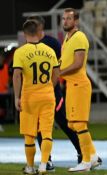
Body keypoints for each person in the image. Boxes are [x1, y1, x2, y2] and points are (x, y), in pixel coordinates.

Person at [26, 15, 85, 171]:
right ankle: (47, 161)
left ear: (39, 27)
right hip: (37, 94)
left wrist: (54, 86)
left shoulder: (53, 44)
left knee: (65, 124)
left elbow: (60, 68)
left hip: (53, 92)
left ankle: (82, 153)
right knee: (40, 127)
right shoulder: (30, 44)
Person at [13, 20, 60, 174]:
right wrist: (49, 87)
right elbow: (56, 74)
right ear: (38, 32)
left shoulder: (20, 52)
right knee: (47, 133)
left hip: (29, 97)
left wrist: (16, 97)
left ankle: (30, 167)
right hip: (47, 96)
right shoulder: (49, 51)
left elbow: (17, 76)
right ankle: (43, 165)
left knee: (29, 134)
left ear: (25, 33)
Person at [60, 8, 101, 172]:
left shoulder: (79, 37)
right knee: (72, 124)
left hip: (79, 85)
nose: (65, 22)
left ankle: (85, 162)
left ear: (76, 21)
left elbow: (78, 63)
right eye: (63, 19)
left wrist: (59, 74)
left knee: (79, 123)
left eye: (68, 19)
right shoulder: (67, 38)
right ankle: (93, 157)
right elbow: (63, 60)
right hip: (71, 85)